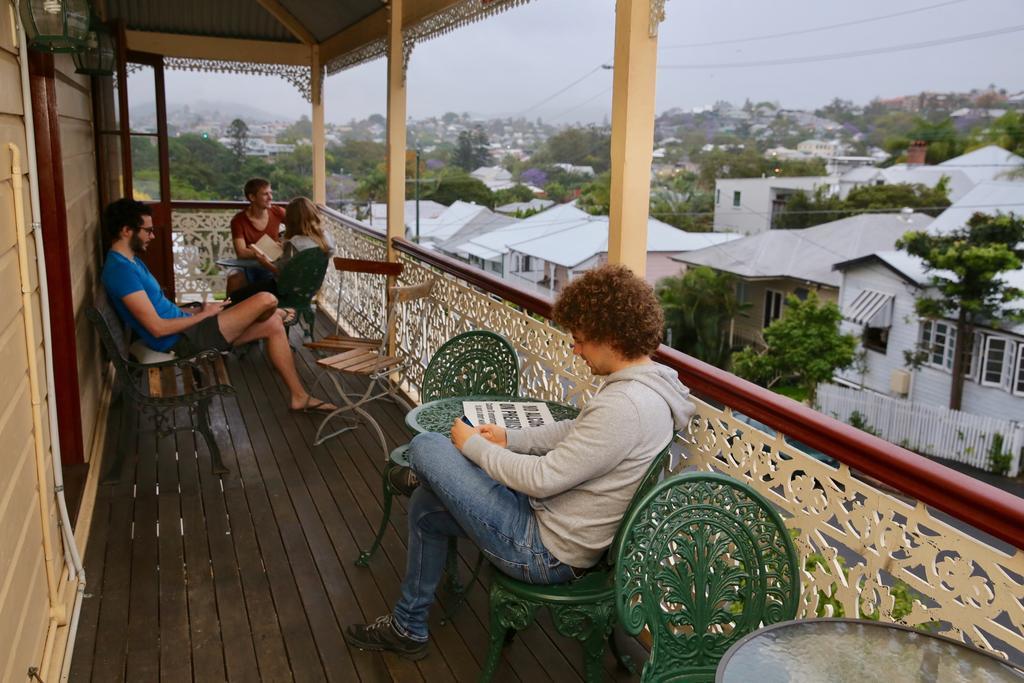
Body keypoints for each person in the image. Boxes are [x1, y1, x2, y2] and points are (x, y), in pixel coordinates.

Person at [344, 264, 695, 659]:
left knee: (428, 445)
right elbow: (576, 432)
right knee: (426, 508)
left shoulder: (625, 406)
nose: (575, 350)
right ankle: (408, 627)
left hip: (544, 552)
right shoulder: (646, 386)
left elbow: (543, 479)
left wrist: (473, 446)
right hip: (554, 525)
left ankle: (422, 474)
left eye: (579, 341)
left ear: (610, 337)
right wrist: (509, 437)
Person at [100, 198, 336, 414]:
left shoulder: (131, 262)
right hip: (182, 341)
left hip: (188, 328)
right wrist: (204, 316)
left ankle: (299, 396)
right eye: (148, 230)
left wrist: (198, 311)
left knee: (273, 324)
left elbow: (162, 311)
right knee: (267, 299)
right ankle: (278, 311)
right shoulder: (121, 271)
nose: (152, 236)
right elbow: (158, 329)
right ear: (126, 230)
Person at [228, 196, 336, 307]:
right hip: (308, 290)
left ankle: (226, 321)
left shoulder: (295, 243)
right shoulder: (326, 238)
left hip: (284, 291)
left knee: (236, 296)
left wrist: (265, 263)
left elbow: (282, 273)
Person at [226, 177, 286, 295]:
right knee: (234, 278)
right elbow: (241, 252)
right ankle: (227, 310)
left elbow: (300, 225)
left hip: (271, 264)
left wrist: (285, 242)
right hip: (248, 266)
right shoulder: (238, 220)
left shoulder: (277, 212)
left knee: (271, 279)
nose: (271, 198)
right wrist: (270, 250)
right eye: (265, 194)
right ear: (252, 197)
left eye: (270, 193)